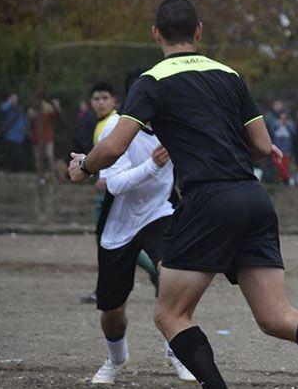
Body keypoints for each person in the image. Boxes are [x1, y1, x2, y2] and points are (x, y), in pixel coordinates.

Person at [68, 0, 298, 389]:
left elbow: (113, 147)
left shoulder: (151, 81)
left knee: (170, 315)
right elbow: (260, 143)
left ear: (155, 33)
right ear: (199, 31)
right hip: (253, 197)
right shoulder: (229, 74)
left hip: (209, 200)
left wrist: (83, 166)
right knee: (276, 316)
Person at [89, 70, 194, 385]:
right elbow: (116, 184)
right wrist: (153, 165)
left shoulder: (172, 125)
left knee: (174, 277)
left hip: (159, 213)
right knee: (112, 310)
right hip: (118, 225)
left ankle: (177, 352)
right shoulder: (112, 128)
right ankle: (115, 358)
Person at [82, 82, 160, 305]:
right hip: (119, 185)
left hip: (119, 190)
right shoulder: (103, 124)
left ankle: (153, 271)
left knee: (112, 240)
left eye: (104, 98)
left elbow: (113, 153)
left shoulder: (116, 122)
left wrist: (103, 176)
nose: (100, 102)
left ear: (115, 101)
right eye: (96, 98)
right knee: (111, 240)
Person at [28, 97, 59, 175]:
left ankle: (52, 174)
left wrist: (55, 105)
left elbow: (56, 113)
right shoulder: (32, 113)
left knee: (49, 156)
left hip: (47, 138)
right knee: (38, 158)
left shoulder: (47, 112)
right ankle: (41, 175)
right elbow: (30, 125)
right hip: (37, 139)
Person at [0, 93, 27, 172]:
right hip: (9, 135)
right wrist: (9, 102)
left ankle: (16, 170)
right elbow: (3, 109)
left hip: (18, 136)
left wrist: (23, 131)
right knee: (9, 154)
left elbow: (23, 121)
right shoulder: (7, 107)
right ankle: (10, 169)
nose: (15, 100)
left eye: (16, 99)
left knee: (17, 154)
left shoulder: (20, 109)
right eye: (13, 98)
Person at [271, 111, 296, 186]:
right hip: (278, 149)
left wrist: (287, 125)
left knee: (285, 165)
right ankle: (288, 178)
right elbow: (271, 131)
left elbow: (293, 133)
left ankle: (284, 181)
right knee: (279, 164)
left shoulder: (290, 124)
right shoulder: (275, 124)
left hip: (286, 149)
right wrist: (279, 124)